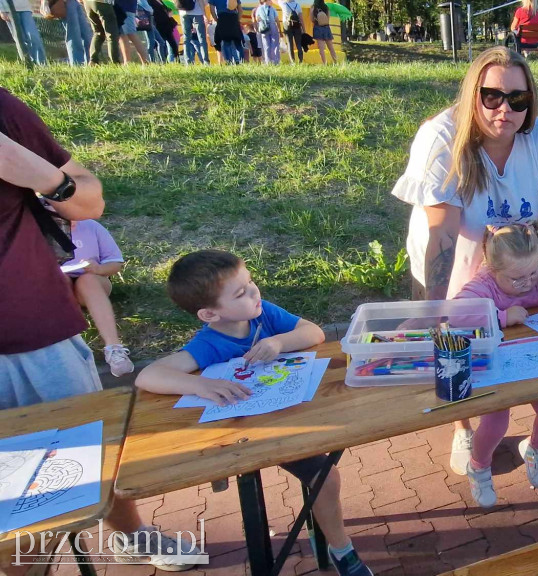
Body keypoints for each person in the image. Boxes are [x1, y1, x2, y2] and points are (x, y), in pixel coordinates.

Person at [391, 46, 538, 477]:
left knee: (510, 340)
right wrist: (433, 307)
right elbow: (440, 232)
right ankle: (464, 426)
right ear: (472, 94)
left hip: (512, 262)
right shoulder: (442, 137)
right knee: (455, 345)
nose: (504, 109)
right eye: (492, 96)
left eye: (518, 98)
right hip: (454, 263)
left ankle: (512, 418)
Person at [0, 87, 195, 574]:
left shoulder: (2, 111)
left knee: (93, 455)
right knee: (16, 513)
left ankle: (131, 536)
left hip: (35, 336)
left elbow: (91, 200)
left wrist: (47, 179)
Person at [135, 250, 373, 576]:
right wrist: (201, 385)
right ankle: (342, 549)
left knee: (326, 473)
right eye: (241, 292)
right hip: (252, 435)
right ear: (209, 314)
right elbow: (147, 377)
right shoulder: (210, 344)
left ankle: (333, 541)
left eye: (250, 283)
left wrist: (279, 343)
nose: (255, 292)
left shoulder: (263, 315)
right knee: (326, 477)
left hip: (294, 414)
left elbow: (314, 332)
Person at [453, 224, 538, 506]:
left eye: (533, 273)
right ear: (492, 269)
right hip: (499, 365)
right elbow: (458, 315)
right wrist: (501, 317)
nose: (527, 283)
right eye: (516, 279)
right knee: (495, 422)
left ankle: (537, 449)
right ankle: (478, 466)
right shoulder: (483, 285)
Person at [62, 219, 134, 377]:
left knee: (87, 281)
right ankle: (65, 353)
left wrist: (98, 268)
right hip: (58, 283)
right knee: (58, 281)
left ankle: (114, 348)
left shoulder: (91, 226)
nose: (71, 221)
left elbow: (115, 264)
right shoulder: (36, 229)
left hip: (94, 281)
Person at [1, 0, 47, 65]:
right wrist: (1, 10)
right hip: (8, 9)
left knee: (33, 36)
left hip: (25, 8)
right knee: (20, 39)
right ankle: (28, 64)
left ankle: (42, 64)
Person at [63, 0, 94, 65]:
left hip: (75, 2)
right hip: (65, 3)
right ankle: (77, 64)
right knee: (74, 36)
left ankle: (90, 63)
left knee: (87, 35)